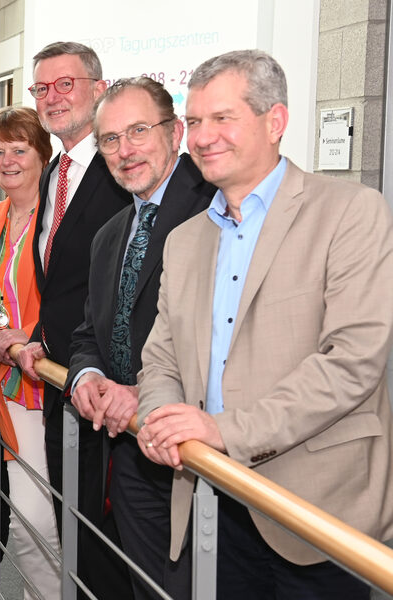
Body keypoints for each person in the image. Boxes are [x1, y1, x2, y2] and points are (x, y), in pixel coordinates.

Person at [137, 50, 393, 600]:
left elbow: (353, 361)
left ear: (274, 122)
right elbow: (160, 356)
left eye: (223, 118)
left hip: (318, 511)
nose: (203, 137)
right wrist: (159, 417)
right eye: (197, 121)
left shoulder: (352, 213)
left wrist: (225, 431)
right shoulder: (184, 241)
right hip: (209, 497)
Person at [65, 77, 215, 600]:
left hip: (200, 456)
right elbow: (90, 331)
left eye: (139, 131)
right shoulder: (110, 235)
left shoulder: (215, 210)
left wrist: (146, 393)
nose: (124, 150)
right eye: (110, 139)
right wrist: (86, 374)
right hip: (128, 453)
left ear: (175, 133)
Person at [14, 41, 133, 599]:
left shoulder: (122, 170)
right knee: (76, 534)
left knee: (111, 548)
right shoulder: (52, 171)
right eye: (42, 88)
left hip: (113, 392)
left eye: (66, 84)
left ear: (98, 88)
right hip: (63, 380)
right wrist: (41, 339)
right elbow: (63, 282)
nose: (53, 97)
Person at [0, 106, 61, 600]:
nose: (7, 160)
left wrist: (29, 334)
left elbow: (74, 297)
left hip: (58, 382)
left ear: (42, 155)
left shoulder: (63, 215)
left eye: (19, 150)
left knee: (59, 521)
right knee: (29, 518)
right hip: (11, 389)